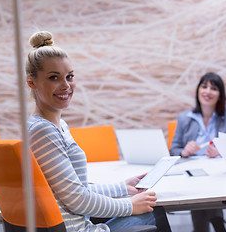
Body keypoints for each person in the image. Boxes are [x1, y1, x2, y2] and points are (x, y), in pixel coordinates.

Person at [25, 31, 171, 232]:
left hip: (81, 225)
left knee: (150, 209)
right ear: (31, 82)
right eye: (54, 77)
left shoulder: (57, 126)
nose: (66, 85)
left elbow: (75, 190)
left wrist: (123, 188)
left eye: (70, 76)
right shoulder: (42, 131)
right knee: (152, 212)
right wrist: (130, 205)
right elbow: (77, 200)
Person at [170, 72, 226, 232]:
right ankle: (218, 223)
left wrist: (222, 151)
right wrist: (185, 152)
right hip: (194, 173)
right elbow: (174, 149)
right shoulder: (185, 117)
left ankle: (208, 226)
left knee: (204, 189)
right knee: (198, 188)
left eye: (213, 88)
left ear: (220, 94)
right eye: (204, 86)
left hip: (223, 172)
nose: (207, 91)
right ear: (198, 90)